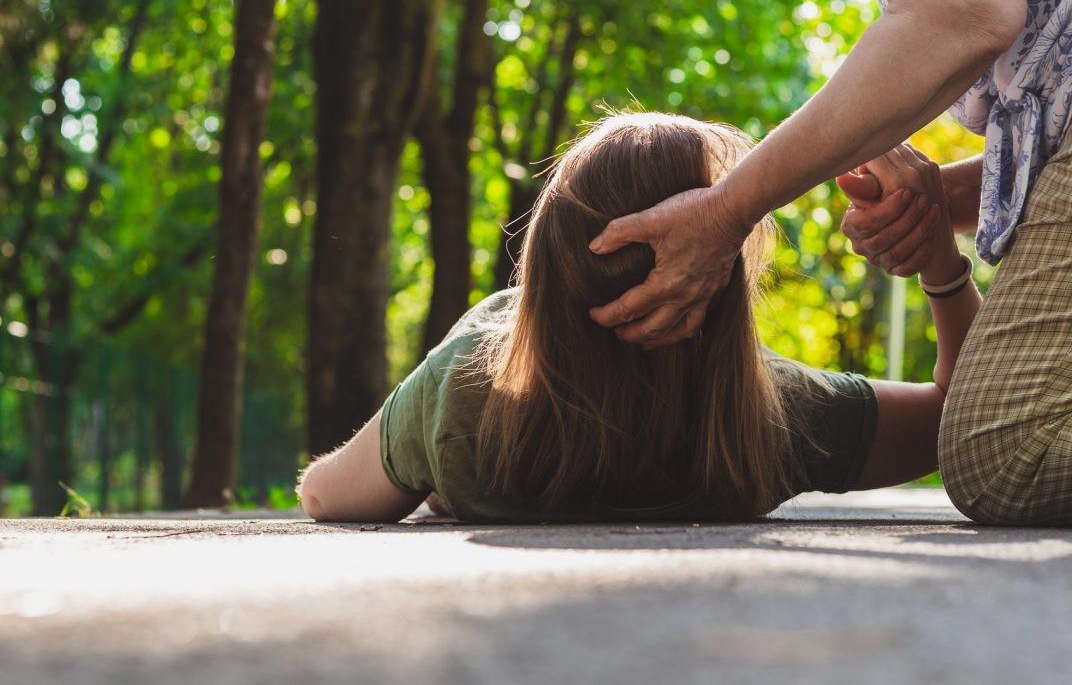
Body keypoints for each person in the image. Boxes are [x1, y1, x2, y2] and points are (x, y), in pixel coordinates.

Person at [585, 0, 1072, 525]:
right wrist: (948, 211)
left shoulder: (475, 400)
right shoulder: (780, 415)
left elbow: (960, 11)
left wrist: (727, 210)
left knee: (1008, 444)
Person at [297, 113, 978, 523]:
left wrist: (437, 457)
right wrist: (943, 267)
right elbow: (963, 418)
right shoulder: (775, 417)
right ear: (720, 282)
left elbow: (324, 497)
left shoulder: (464, 397)